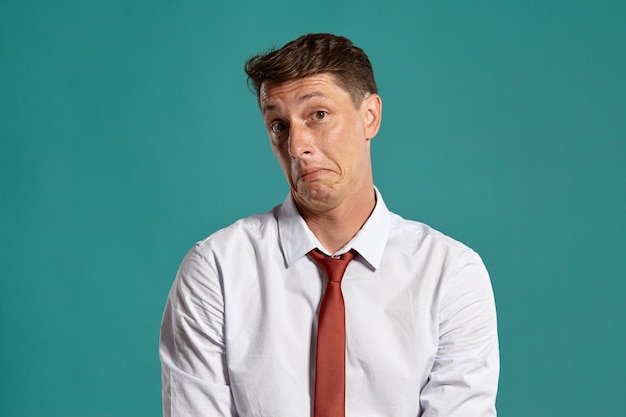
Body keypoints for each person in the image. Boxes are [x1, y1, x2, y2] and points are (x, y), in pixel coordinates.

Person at [159, 33, 499, 417]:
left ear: (369, 116)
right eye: (278, 125)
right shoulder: (216, 270)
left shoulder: (451, 274)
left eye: (318, 115)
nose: (296, 145)